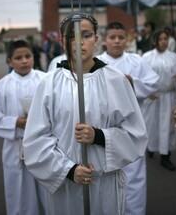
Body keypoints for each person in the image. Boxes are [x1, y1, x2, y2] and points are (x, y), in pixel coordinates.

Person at [23, 13, 148, 215]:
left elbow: (136, 134)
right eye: (72, 36)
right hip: (66, 186)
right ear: (63, 41)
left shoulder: (116, 81)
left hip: (104, 183)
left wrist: (99, 136)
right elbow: (35, 141)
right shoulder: (49, 84)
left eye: (87, 35)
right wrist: (69, 170)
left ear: (96, 39)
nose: (79, 42)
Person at [97, 21, 160, 215]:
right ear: (104, 40)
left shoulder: (136, 61)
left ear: (127, 40)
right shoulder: (96, 63)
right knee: (105, 175)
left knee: (133, 177)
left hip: (132, 129)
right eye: (112, 37)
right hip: (104, 130)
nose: (117, 41)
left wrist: (133, 82)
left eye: (121, 37)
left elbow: (153, 84)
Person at [0, 40, 46, 214]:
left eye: (28, 56)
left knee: (45, 186)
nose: (24, 61)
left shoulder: (45, 80)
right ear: (9, 61)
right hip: (16, 146)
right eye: (18, 57)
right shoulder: (2, 86)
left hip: (43, 143)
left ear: (33, 58)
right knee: (19, 188)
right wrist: (16, 122)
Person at [142, 29, 176, 171]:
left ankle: (165, 157)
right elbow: (141, 77)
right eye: (160, 39)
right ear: (155, 41)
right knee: (152, 125)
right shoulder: (147, 57)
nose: (163, 42)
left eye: (165, 39)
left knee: (168, 127)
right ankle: (151, 147)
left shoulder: (174, 57)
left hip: (169, 97)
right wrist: (147, 92)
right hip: (153, 98)